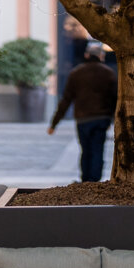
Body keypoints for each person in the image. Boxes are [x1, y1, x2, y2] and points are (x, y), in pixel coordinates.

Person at [48, 41, 117, 183]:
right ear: (101, 56)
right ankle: (95, 180)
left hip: (83, 118)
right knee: (98, 149)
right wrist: (113, 118)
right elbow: (115, 98)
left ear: (86, 55)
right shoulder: (108, 73)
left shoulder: (76, 73)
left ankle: (85, 180)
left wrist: (54, 123)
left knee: (86, 150)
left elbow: (66, 100)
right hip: (101, 117)